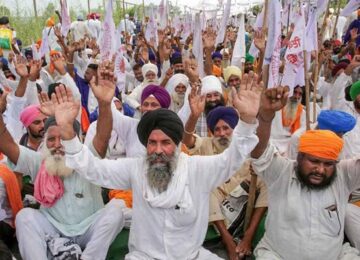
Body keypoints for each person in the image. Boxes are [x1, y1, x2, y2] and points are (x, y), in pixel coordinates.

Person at [55, 74, 263, 259]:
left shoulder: (196, 169)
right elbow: (94, 169)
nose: (158, 150)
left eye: (166, 143)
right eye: (152, 143)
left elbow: (232, 158)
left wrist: (247, 120)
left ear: (176, 144)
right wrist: (66, 131)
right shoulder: (136, 168)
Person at [0, 69, 125, 260]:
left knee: (116, 211)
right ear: (44, 143)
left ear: (74, 139)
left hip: (89, 226)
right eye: (51, 139)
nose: (58, 145)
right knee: (25, 217)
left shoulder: (87, 156)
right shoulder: (39, 162)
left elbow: (103, 134)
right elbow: (8, 145)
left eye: (63, 138)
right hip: (53, 227)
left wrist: (105, 103)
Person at [250, 86, 360, 260]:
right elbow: (259, 152)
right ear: (300, 157)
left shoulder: (343, 175)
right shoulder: (281, 172)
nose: (320, 170)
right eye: (314, 161)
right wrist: (265, 117)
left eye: (328, 163)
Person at [183, 94, 268, 259]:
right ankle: (228, 240)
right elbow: (187, 140)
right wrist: (194, 116)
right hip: (216, 197)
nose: (222, 133)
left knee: (266, 181)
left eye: (226, 128)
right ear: (212, 131)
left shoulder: (247, 145)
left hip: (243, 193)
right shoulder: (206, 143)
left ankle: (248, 237)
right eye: (217, 129)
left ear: (235, 129)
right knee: (206, 188)